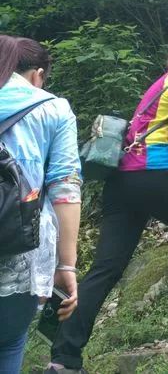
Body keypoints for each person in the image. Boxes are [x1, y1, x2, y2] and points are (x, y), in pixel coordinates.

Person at [49, 25, 168, 373]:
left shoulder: (162, 82)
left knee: (106, 267)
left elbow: (156, 131)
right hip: (153, 176)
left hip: (123, 180)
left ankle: (64, 358)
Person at [0, 36, 82, 374]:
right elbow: (65, 188)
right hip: (18, 253)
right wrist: (66, 265)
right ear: (37, 74)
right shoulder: (53, 109)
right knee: (8, 344)